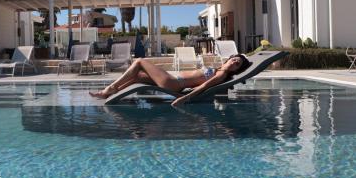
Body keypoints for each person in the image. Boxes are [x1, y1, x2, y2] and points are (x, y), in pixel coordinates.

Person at [89, 54, 250, 108]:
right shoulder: (219, 70)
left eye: (238, 64)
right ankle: (112, 91)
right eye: (235, 59)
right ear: (229, 59)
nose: (235, 62)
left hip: (173, 83)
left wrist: (183, 98)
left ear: (236, 70)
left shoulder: (221, 75)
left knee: (139, 62)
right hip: (172, 79)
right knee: (136, 77)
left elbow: (204, 86)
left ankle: (109, 88)